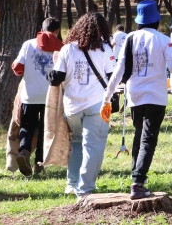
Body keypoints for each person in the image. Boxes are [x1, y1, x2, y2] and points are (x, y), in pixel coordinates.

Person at [103, 0, 172, 200]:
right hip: (156, 96)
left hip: (135, 96)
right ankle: (138, 182)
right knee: (148, 139)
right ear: (156, 20)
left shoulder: (130, 38)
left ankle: (136, 176)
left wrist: (106, 97)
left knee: (139, 135)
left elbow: (119, 71)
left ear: (139, 20)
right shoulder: (162, 39)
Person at [47, 13, 111, 201]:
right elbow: (114, 76)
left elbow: (56, 78)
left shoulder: (67, 49)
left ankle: (72, 184)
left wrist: (53, 67)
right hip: (97, 103)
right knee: (94, 146)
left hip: (72, 106)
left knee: (76, 143)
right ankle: (84, 189)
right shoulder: (106, 49)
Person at [11, 17, 63, 176]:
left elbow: (18, 68)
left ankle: (24, 151)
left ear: (41, 28)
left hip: (29, 95)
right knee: (44, 130)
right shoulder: (61, 48)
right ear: (57, 31)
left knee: (27, 126)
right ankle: (39, 163)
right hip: (50, 96)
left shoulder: (28, 44)